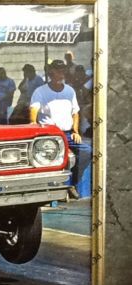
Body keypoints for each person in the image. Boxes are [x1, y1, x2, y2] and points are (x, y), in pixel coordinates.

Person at [30, 59, 92, 198]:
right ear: (51, 72)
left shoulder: (70, 91)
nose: (61, 73)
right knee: (50, 160)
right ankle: (50, 190)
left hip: (68, 134)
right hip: (49, 135)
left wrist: (76, 131)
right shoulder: (40, 91)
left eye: (63, 70)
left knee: (87, 151)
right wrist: (34, 127)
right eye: (58, 70)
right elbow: (33, 112)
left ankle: (72, 183)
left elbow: (75, 112)